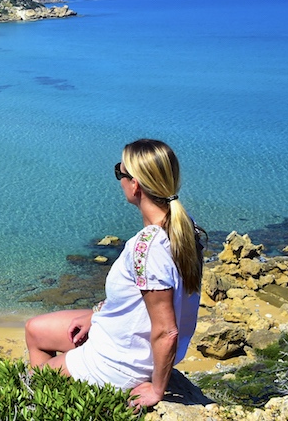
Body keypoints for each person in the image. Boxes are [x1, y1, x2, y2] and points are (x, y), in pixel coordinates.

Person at [24, 139, 204, 409]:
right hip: (124, 342)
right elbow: (141, 300)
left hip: (122, 362)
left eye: (121, 171)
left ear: (135, 185)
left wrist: (157, 389)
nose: (119, 177)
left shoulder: (148, 248)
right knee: (35, 330)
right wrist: (97, 314)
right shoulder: (186, 229)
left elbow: (167, 331)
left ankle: (49, 407)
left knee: (35, 380)